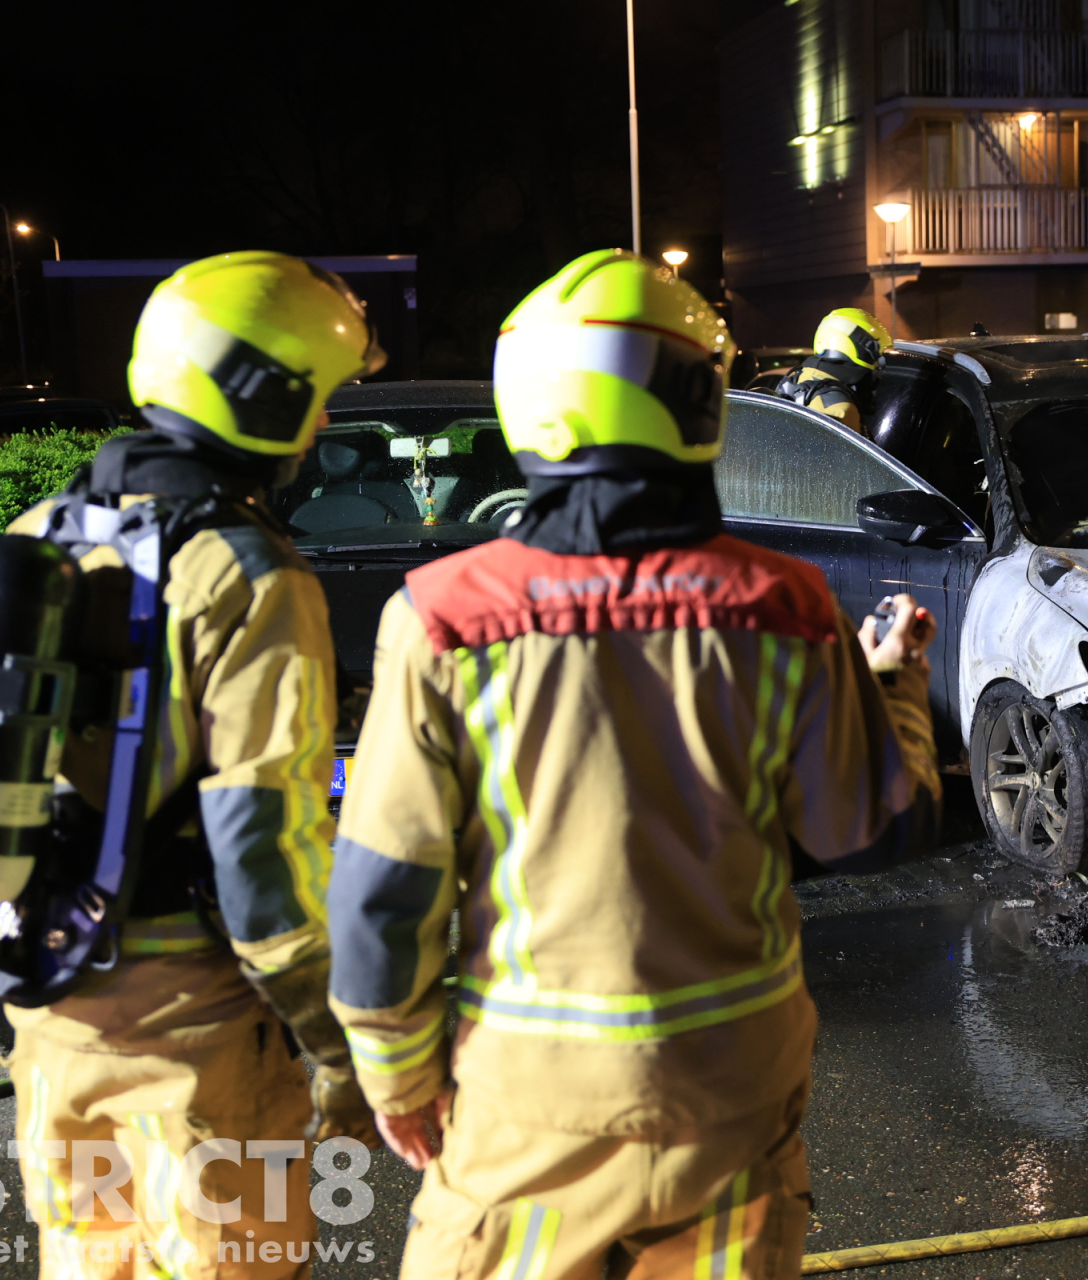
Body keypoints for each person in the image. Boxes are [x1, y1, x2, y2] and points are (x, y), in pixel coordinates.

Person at [328, 250, 941, 1279]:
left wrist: (393, 1075)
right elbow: (869, 827)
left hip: (528, 1113)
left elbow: (383, 893)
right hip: (730, 1111)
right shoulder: (785, 607)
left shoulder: (441, 618)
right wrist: (895, 686)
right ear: (700, 398)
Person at [1, 252, 383, 1279]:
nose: (324, 429)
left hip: (55, 1009)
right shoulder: (250, 573)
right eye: (321, 398)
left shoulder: (44, 532)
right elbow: (265, 865)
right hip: (200, 1034)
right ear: (270, 398)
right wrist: (342, 1050)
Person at [774, 306, 891, 433]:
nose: (880, 361)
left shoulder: (799, 380)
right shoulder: (840, 407)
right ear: (865, 348)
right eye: (879, 352)